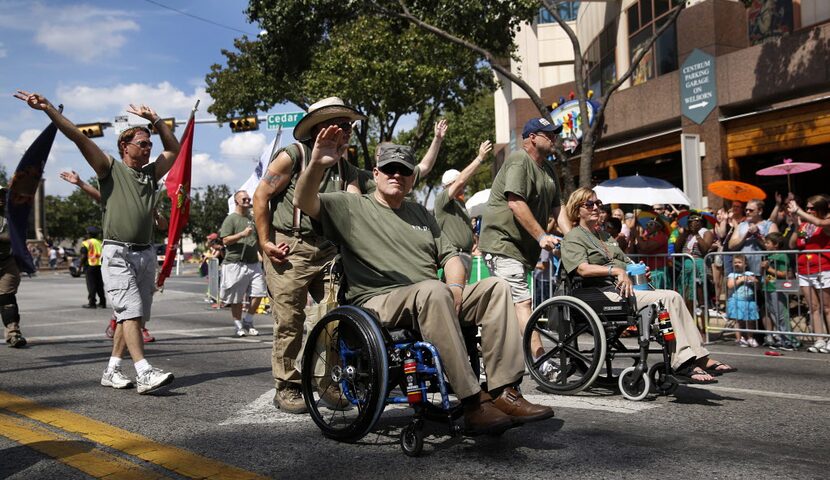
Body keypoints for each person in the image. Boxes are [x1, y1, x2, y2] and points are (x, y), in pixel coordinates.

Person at [295, 130, 554, 434]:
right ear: (375, 174)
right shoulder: (352, 207)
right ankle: (472, 403)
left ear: (411, 178)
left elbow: (451, 259)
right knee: (433, 290)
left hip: (432, 297)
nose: (397, 175)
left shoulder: (421, 213)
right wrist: (315, 165)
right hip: (377, 300)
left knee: (496, 288)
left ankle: (504, 391)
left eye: (404, 171)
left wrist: (456, 288)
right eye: (390, 169)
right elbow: (304, 200)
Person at [16, 90, 177, 394]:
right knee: (129, 311)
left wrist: (155, 120)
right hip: (118, 253)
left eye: (150, 144)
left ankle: (112, 370)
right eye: (142, 144)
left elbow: (174, 148)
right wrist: (49, 109)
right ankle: (144, 372)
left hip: (145, 255)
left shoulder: (150, 175)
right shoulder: (109, 168)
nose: (148, 148)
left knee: (130, 314)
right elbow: (78, 136)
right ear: (124, 146)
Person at [253, 96, 363, 414]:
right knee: (290, 320)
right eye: (341, 125)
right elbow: (262, 195)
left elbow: (355, 204)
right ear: (319, 129)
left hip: (327, 249)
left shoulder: (347, 166)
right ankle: (287, 385)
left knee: (336, 316)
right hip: (289, 247)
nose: (347, 130)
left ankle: (327, 381)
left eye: (349, 125)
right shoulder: (293, 155)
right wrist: (264, 241)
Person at [559, 187, 736, 383]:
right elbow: (582, 269)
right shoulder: (573, 237)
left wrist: (638, 269)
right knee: (666, 298)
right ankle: (683, 362)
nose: (596, 208)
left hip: (625, 289)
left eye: (598, 204)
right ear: (577, 209)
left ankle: (700, 357)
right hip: (600, 293)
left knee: (673, 296)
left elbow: (625, 261)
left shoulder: (605, 237)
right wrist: (616, 271)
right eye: (589, 204)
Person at [479, 117, 570, 364]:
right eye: (548, 134)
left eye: (555, 134)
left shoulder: (549, 169)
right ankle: (541, 361)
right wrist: (541, 236)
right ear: (532, 138)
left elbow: (558, 207)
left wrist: (572, 239)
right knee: (522, 301)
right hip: (502, 241)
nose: (554, 138)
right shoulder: (519, 160)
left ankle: (488, 351)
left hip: (522, 248)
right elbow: (515, 203)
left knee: (507, 306)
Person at [60, 170, 156, 343]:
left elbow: (163, 224)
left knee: (137, 300)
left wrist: (155, 213)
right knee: (130, 302)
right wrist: (80, 182)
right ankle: (135, 342)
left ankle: (118, 334)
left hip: (143, 254)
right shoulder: (116, 199)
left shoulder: (145, 200)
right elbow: (100, 197)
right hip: (120, 256)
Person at [433, 140, 492, 276]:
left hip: (465, 254)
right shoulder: (441, 200)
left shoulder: (460, 204)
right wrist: (479, 158)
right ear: (448, 185)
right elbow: (460, 180)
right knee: (456, 293)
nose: (462, 186)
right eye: (458, 183)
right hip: (454, 255)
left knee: (462, 294)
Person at [356, 119, 448, 197]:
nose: (396, 176)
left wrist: (437, 139)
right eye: (387, 154)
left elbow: (425, 166)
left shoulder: (405, 173)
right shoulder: (364, 176)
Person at [219, 190, 266, 337]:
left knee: (259, 292)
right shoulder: (231, 219)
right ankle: (238, 324)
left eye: (248, 199)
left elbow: (258, 240)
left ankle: (249, 320)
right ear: (237, 202)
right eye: (244, 199)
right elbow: (225, 240)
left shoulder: (252, 218)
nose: (247, 201)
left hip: (253, 263)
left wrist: (263, 255)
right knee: (236, 298)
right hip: (235, 263)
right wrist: (241, 234)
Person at [787, 195, 830, 353]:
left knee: (827, 307)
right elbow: (793, 244)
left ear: (821, 208)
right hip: (805, 269)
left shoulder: (826, 221)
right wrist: (795, 224)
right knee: (813, 307)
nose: (809, 211)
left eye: (813, 208)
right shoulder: (805, 224)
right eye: (807, 208)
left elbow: (819, 223)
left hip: (824, 268)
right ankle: (819, 339)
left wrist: (798, 211)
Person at [760, 232, 799, 350]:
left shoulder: (782, 256)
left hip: (778, 288)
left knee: (781, 315)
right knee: (773, 314)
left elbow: (784, 273)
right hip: (768, 287)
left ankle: (789, 340)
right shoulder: (769, 255)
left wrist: (769, 269)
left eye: (768, 243)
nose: (765, 245)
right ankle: (782, 338)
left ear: (776, 244)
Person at [0, 188, 26, 348]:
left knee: (7, 298)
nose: (2, 198)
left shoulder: (11, 215)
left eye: (3, 194)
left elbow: (18, 236)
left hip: (7, 261)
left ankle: (13, 334)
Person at [727, 254, 760, 347]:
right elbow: (730, 285)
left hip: (749, 301)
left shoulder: (749, 273)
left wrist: (754, 281)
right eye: (735, 262)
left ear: (745, 264)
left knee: (750, 320)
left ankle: (750, 337)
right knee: (738, 321)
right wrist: (740, 280)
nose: (737, 264)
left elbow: (757, 286)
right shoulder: (732, 275)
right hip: (737, 300)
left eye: (739, 262)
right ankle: (739, 338)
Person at [80, 226, 106, 309]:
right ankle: (102, 302)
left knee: (91, 285)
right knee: (99, 285)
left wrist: (79, 266)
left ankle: (92, 303)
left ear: (89, 234)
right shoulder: (100, 242)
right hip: (100, 266)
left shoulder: (86, 243)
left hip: (90, 265)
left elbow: (83, 256)